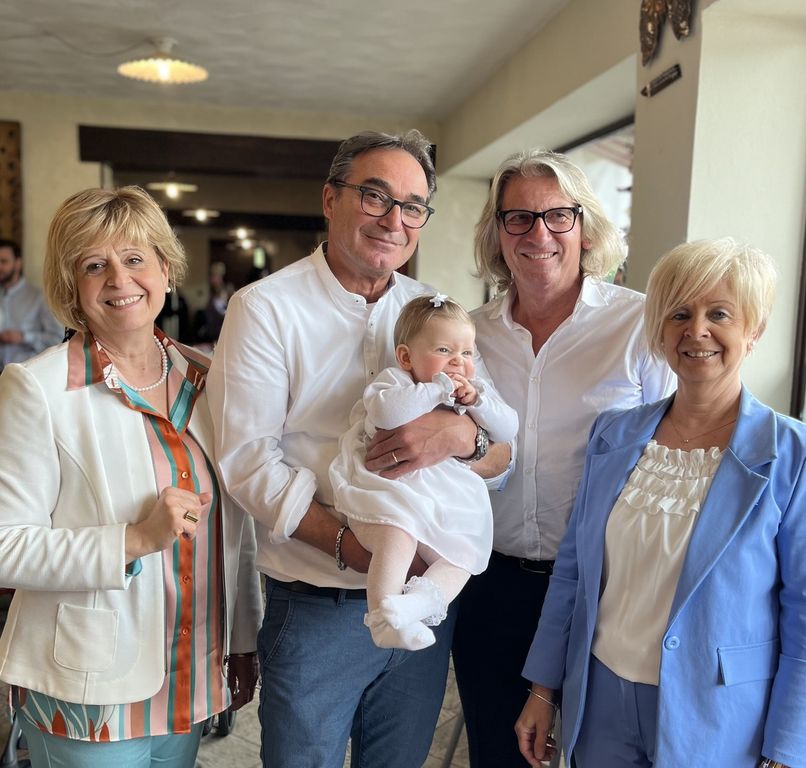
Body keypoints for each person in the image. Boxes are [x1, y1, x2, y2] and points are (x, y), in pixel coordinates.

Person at [207, 129, 510, 768]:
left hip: (422, 601)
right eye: (375, 197)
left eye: (413, 206)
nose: (394, 220)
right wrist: (357, 548)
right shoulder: (265, 308)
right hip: (316, 603)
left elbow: (501, 455)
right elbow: (247, 464)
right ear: (331, 199)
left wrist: (465, 437)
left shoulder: (433, 311)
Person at [516, 237, 806, 768]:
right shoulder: (612, 434)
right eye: (679, 313)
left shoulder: (792, 454)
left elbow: (803, 611)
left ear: (754, 330)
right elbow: (573, 572)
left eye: (719, 313)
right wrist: (542, 688)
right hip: (598, 699)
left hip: (720, 717)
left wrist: (788, 748)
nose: (697, 330)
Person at [0, 187, 262, 768]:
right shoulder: (37, 389)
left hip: (189, 676)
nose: (120, 279)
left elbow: (235, 528)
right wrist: (135, 540)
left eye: (136, 258)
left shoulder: (210, 378)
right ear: (72, 286)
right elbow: (4, 545)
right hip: (87, 686)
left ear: (165, 270)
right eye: (95, 265)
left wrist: (241, 641)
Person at [453, 148, 676, 767]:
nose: (539, 234)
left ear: (586, 228)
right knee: (498, 754)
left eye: (558, 216)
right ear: (498, 233)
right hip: (489, 582)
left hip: (603, 590)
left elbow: (671, 453)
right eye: (518, 218)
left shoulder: (639, 326)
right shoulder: (469, 336)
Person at [330, 293, 518, 651]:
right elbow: (387, 414)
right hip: (392, 495)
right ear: (406, 357)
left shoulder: (472, 393)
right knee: (397, 537)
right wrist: (435, 391)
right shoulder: (396, 383)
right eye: (444, 351)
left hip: (443, 504)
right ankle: (382, 619)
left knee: (464, 558)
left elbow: (508, 429)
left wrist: (478, 402)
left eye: (467, 353)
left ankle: (416, 606)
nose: (458, 362)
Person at [0, 238, 63, 370]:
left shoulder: (40, 297)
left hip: (27, 374)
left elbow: (58, 339)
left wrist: (24, 337)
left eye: (4, 261)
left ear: (18, 263)